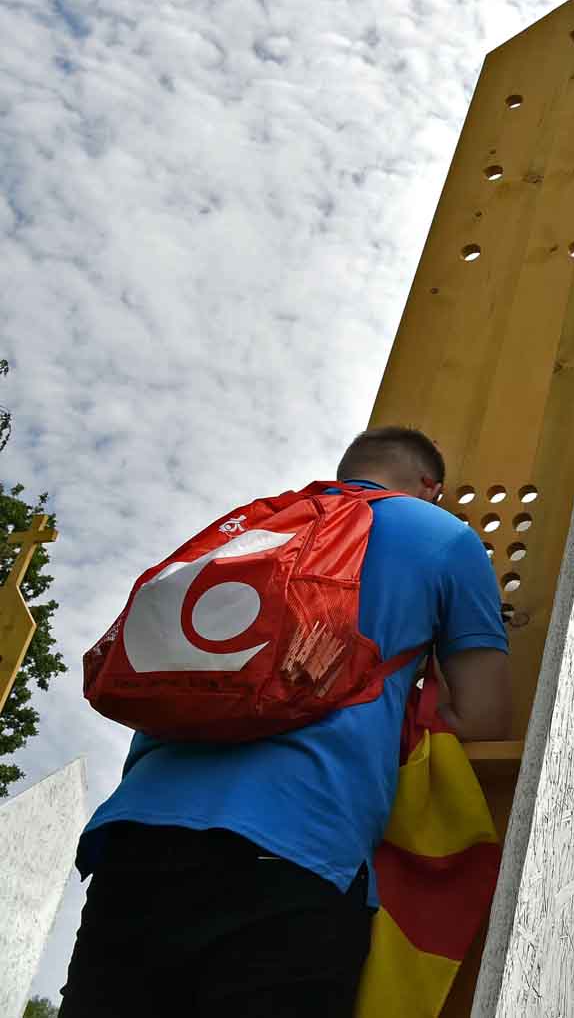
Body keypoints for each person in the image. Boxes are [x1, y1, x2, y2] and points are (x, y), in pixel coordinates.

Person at [62, 427, 512, 1018]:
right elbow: (483, 714)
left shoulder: (257, 526)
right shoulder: (441, 535)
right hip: (299, 848)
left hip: (136, 840)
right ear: (432, 487)